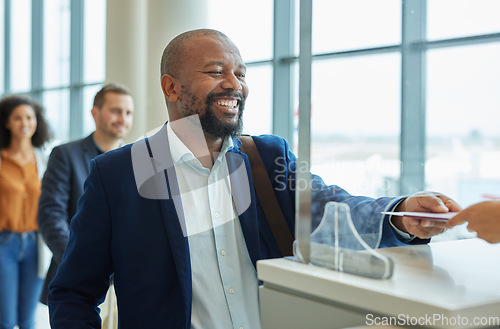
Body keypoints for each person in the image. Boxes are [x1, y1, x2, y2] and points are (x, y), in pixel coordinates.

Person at [47, 29, 461, 329]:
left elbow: (330, 205)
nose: (234, 83)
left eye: (241, 73)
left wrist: (400, 213)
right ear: (171, 87)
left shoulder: (265, 157)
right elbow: (74, 292)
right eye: (216, 71)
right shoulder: (117, 174)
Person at [38, 83, 134, 307]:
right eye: (115, 111)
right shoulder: (65, 154)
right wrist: (80, 263)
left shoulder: (137, 159)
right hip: (77, 279)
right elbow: (50, 216)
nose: (122, 118)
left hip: (126, 283)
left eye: (128, 112)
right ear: (95, 113)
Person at [0, 95, 52, 329]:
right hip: (4, 245)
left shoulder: (45, 160)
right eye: (18, 117)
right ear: (7, 122)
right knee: (6, 320)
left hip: (36, 245)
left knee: (28, 320)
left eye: (30, 117)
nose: (25, 123)